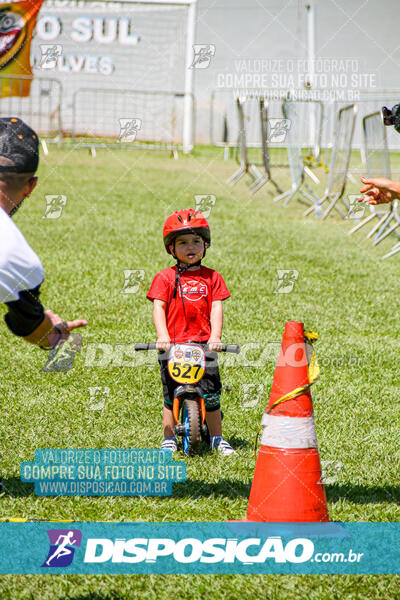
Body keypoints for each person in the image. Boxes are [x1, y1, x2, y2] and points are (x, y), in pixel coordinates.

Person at [146, 209, 236, 455]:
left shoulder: (212, 277)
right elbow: (159, 307)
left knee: (211, 393)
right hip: (172, 345)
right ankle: (168, 437)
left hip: (204, 345)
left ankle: (217, 437)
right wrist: (162, 336)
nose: (190, 247)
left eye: (196, 241)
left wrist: (215, 337)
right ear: (171, 249)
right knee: (170, 392)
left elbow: (217, 307)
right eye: (183, 242)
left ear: (205, 244)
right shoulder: (165, 277)